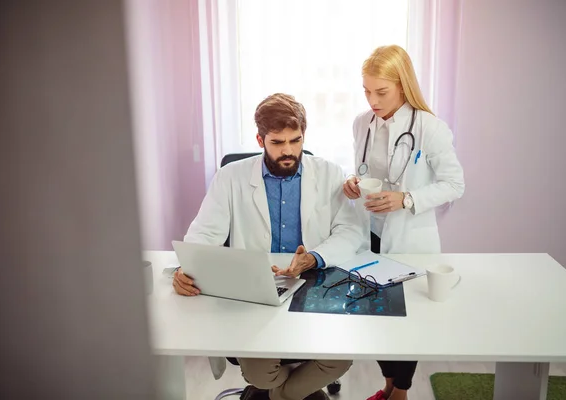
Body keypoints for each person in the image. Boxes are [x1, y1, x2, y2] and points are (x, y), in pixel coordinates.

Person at [174, 93, 363, 400]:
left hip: (313, 285)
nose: (288, 151)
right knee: (260, 373)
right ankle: (289, 392)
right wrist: (186, 268)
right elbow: (204, 234)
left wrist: (314, 258)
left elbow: (350, 232)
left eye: (295, 140)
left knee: (340, 358)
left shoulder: (328, 173)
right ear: (260, 139)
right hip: (255, 291)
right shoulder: (230, 177)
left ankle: (278, 396)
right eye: (277, 142)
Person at [343, 45, 465, 400]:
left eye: (381, 91)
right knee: (376, 313)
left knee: (406, 318)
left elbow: (455, 184)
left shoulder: (430, 128)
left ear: (403, 85)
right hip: (370, 233)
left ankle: (402, 391)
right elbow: (365, 170)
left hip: (410, 236)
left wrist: (406, 199)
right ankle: (388, 385)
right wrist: (352, 183)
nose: (372, 100)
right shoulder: (360, 124)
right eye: (366, 90)